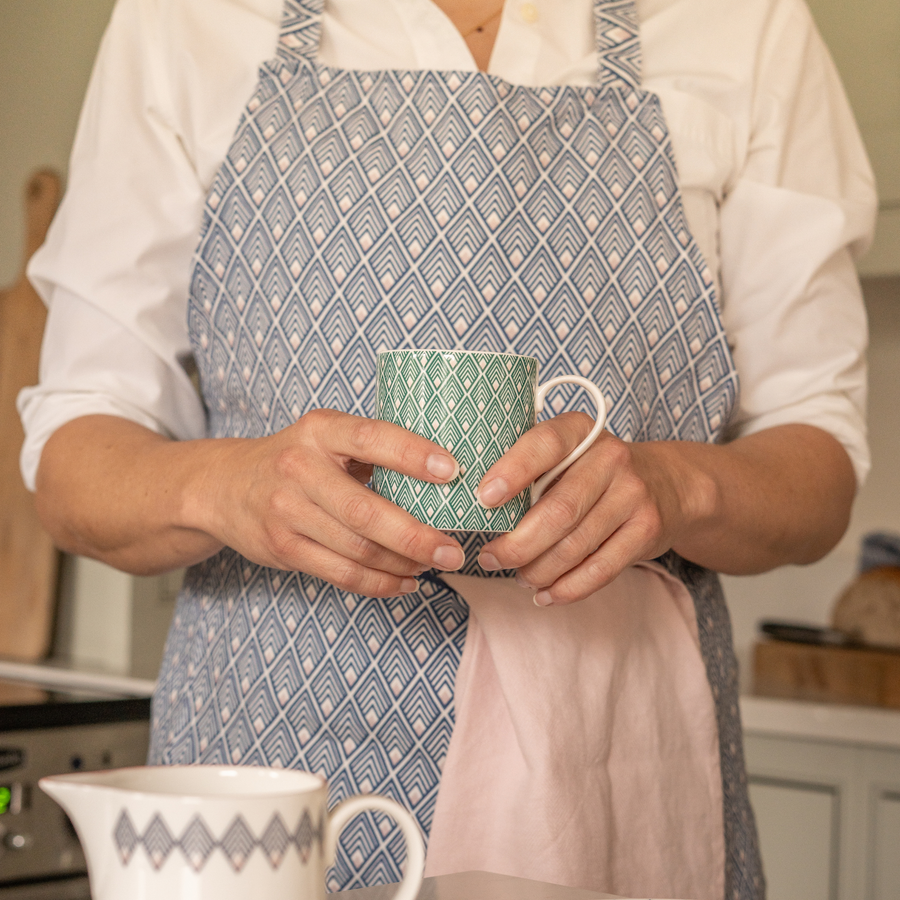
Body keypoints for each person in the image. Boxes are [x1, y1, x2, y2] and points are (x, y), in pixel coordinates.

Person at [19, 0, 876, 897]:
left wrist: (680, 485)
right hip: (266, 789)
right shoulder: (184, 19)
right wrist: (228, 486)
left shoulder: (747, 23)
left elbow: (815, 466)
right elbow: (78, 461)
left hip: (613, 784)